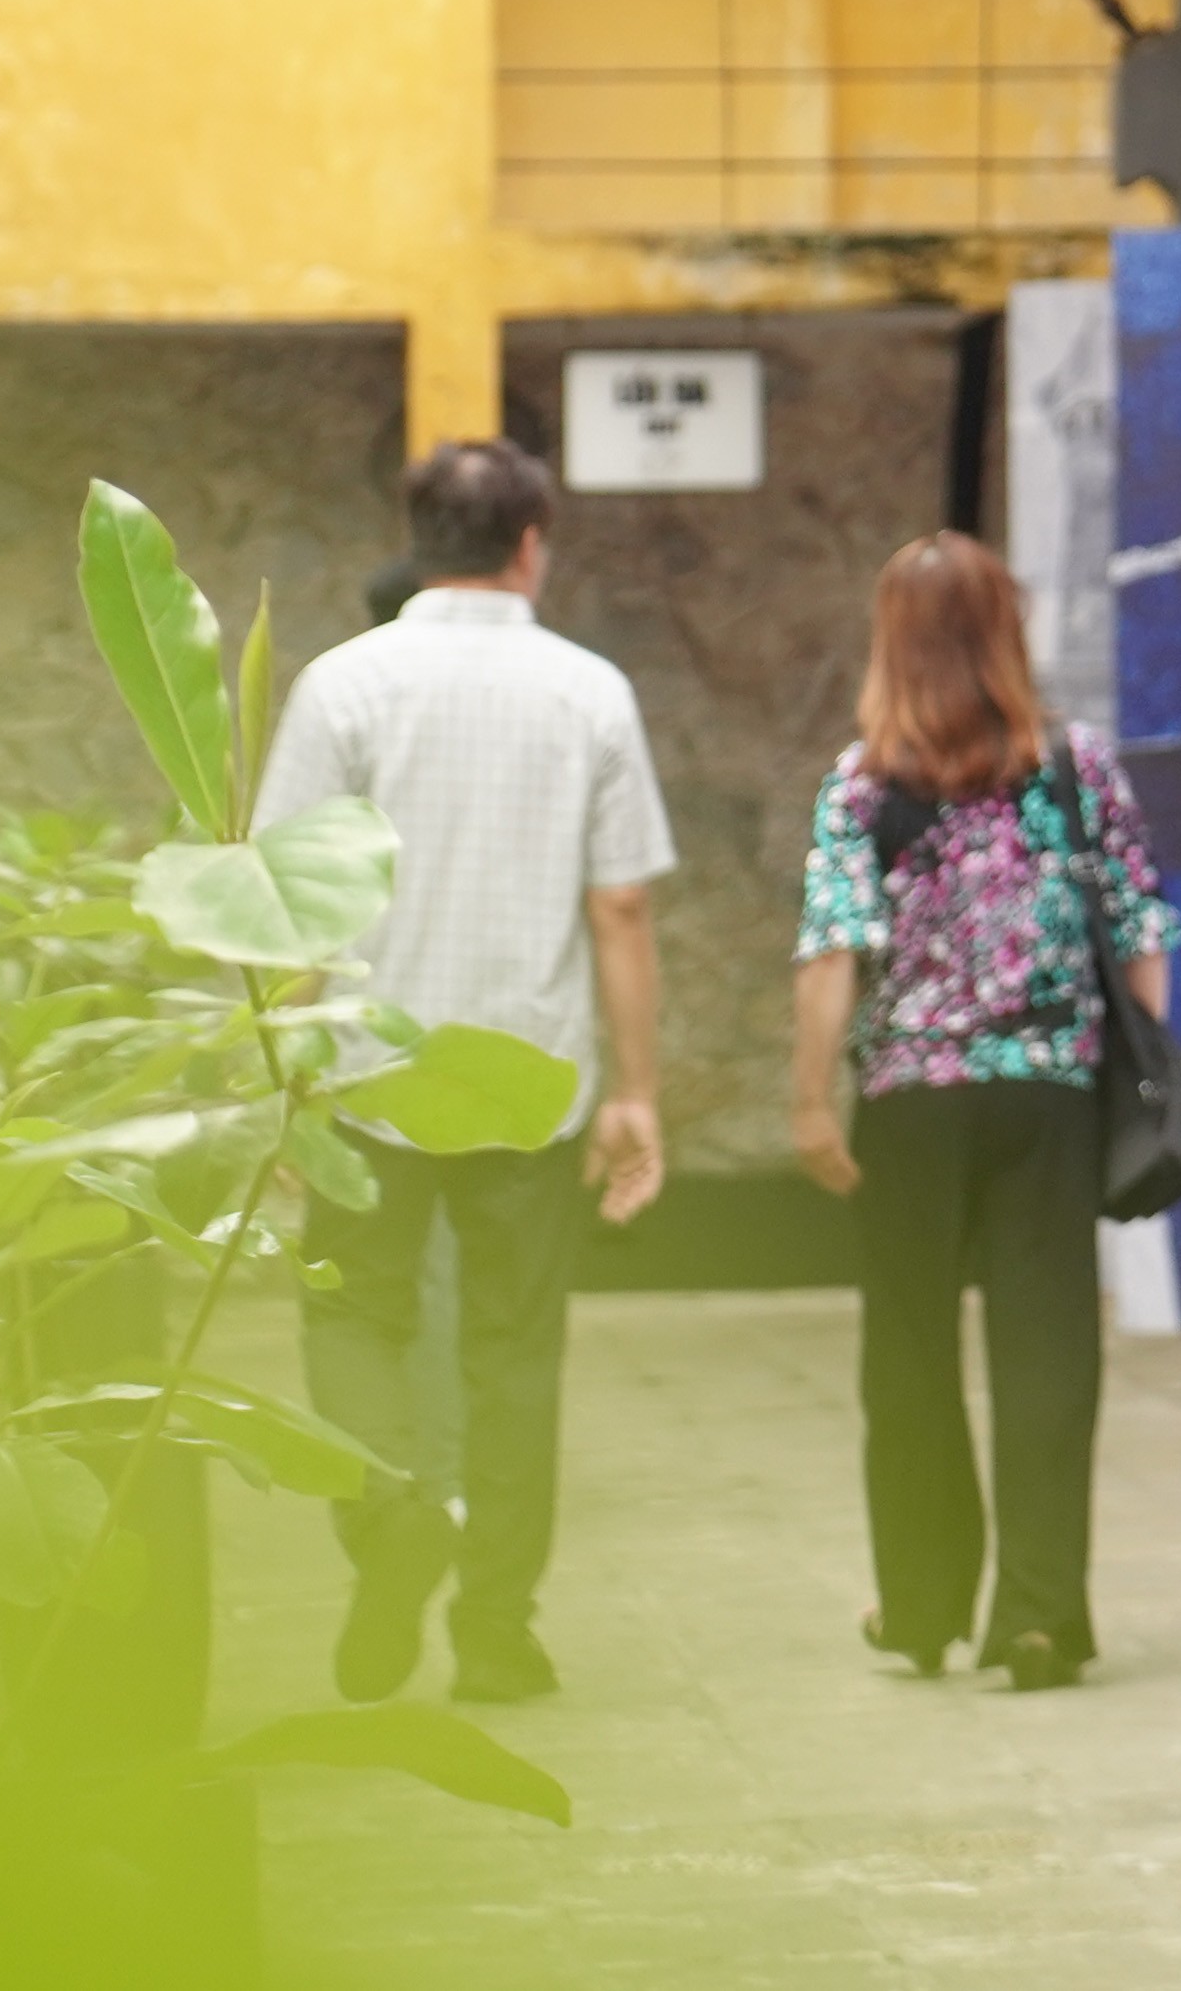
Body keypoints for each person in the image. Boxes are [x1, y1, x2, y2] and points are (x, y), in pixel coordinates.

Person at [257, 438, 674, 1707]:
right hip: (525, 1085)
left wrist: (279, 1080)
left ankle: (388, 1524)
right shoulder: (590, 692)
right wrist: (635, 1095)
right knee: (511, 1356)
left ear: (416, 531)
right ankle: (497, 1631)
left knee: (349, 1320)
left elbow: (288, 905)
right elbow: (619, 913)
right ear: (531, 542)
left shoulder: (342, 687)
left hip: (364, 1079)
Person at [791, 531, 1181, 1690]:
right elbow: (1139, 934)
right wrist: (1137, 1070)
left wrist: (811, 1102)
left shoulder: (862, 784)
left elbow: (832, 956)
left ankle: (919, 1608)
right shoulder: (1071, 769)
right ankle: (1036, 1614)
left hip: (911, 1097)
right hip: (1047, 1095)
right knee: (1047, 1348)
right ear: (1005, 632)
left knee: (906, 1356)